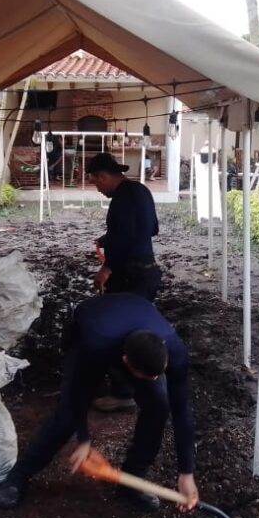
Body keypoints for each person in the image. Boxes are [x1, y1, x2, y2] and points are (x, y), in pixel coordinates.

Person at [0, 292, 199, 513]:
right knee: (66, 419)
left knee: (159, 405)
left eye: (158, 375)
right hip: (89, 328)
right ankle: (18, 477)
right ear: (126, 362)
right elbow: (77, 393)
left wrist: (186, 473)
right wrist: (83, 438)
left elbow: (182, 410)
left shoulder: (174, 350)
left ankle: (131, 481)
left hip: (132, 316)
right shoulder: (96, 344)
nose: (155, 380)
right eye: (148, 376)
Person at [88, 152, 162, 411]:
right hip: (148, 272)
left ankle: (123, 393)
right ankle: (143, 380)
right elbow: (149, 228)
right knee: (136, 329)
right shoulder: (140, 190)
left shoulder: (120, 199)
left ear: (104, 176)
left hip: (131, 275)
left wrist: (106, 269)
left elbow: (127, 237)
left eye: (96, 182)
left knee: (115, 331)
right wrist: (108, 239)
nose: (97, 188)